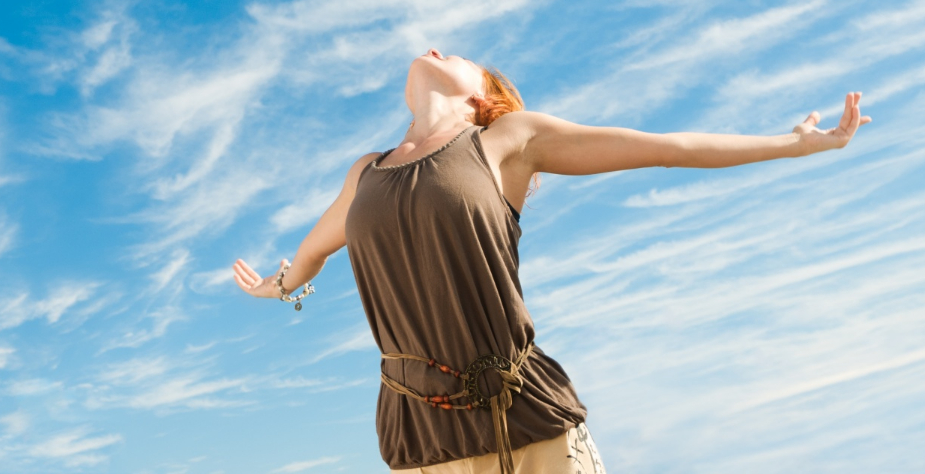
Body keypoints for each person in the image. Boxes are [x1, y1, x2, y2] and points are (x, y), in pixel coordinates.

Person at [233, 49, 871, 473]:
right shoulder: (364, 176)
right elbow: (311, 254)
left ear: (484, 97)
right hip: (421, 432)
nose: (434, 49)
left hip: (527, 414)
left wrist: (794, 145)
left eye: (455, 55)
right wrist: (278, 287)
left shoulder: (507, 140)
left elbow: (667, 148)